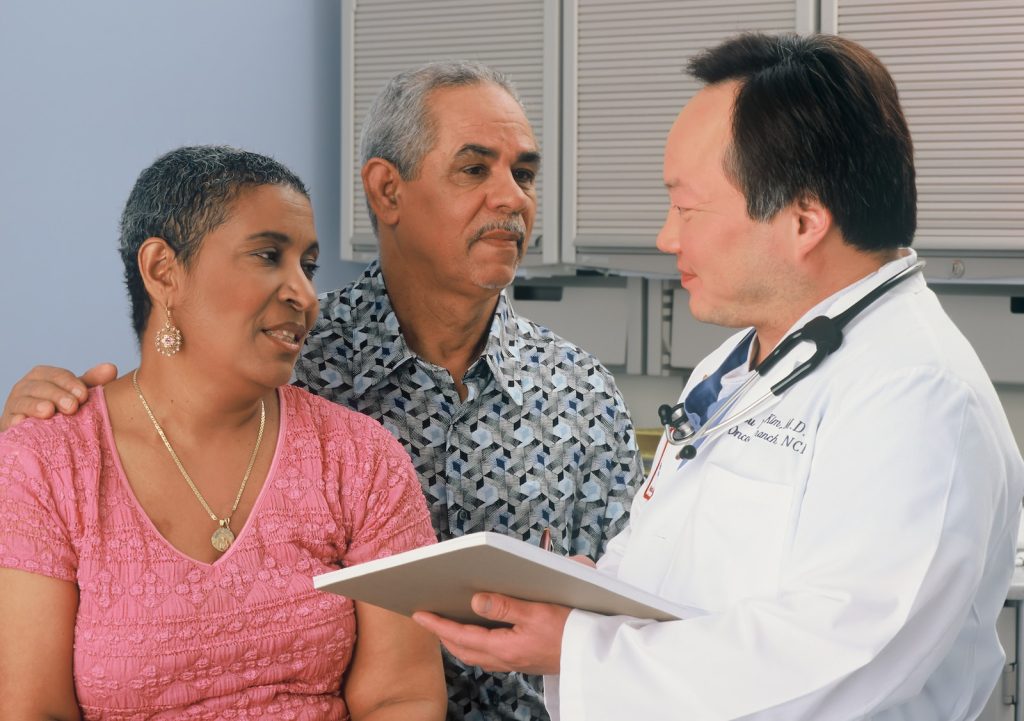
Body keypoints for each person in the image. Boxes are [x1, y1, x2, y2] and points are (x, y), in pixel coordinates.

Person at [0, 62, 643, 721]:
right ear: (386, 191)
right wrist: (37, 434)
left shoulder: (581, 394)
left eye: (526, 174)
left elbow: (640, 615)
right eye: (475, 168)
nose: (513, 198)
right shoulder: (285, 356)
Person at [411, 33, 1024, 720]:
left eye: (688, 207)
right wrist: (589, 593)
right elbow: (684, 562)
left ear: (803, 219)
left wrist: (579, 647)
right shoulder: (736, 364)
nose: (666, 237)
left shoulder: (918, 395)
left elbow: (843, 660)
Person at [0, 146, 446, 720]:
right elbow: (33, 709)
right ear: (163, 271)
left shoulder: (360, 459)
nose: (305, 296)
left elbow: (402, 696)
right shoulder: (46, 463)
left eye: (307, 266)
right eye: (267, 256)